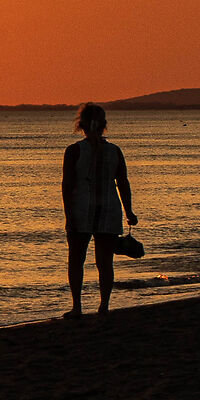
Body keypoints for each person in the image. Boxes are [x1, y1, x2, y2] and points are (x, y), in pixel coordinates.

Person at [62, 103, 136, 318]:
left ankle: (77, 306)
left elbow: (67, 185)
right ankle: (104, 305)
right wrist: (129, 211)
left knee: (76, 260)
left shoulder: (74, 151)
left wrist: (69, 213)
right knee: (105, 261)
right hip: (109, 209)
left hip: (81, 209)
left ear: (81, 125)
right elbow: (123, 182)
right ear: (104, 125)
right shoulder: (114, 151)